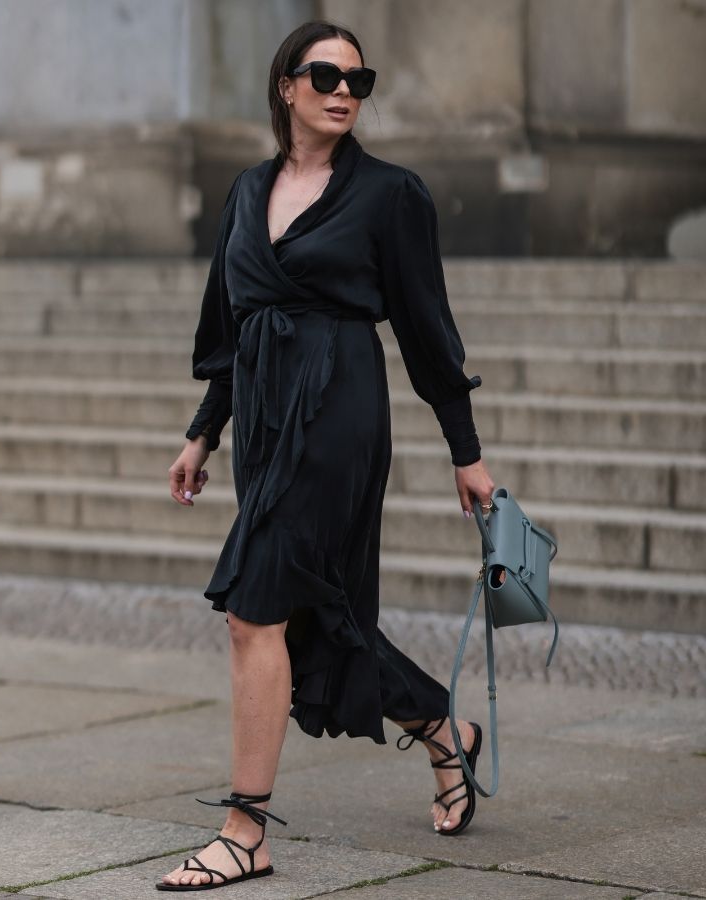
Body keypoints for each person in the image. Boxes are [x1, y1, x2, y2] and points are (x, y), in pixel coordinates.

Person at [158, 20, 498, 892]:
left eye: (359, 78)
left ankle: (245, 830)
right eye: (325, 75)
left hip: (341, 410)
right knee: (314, 616)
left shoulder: (391, 195)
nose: (344, 90)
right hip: (267, 420)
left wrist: (467, 451)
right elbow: (229, 329)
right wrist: (206, 431)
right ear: (286, 86)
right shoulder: (246, 191)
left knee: (252, 609)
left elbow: (428, 329)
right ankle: (442, 732)